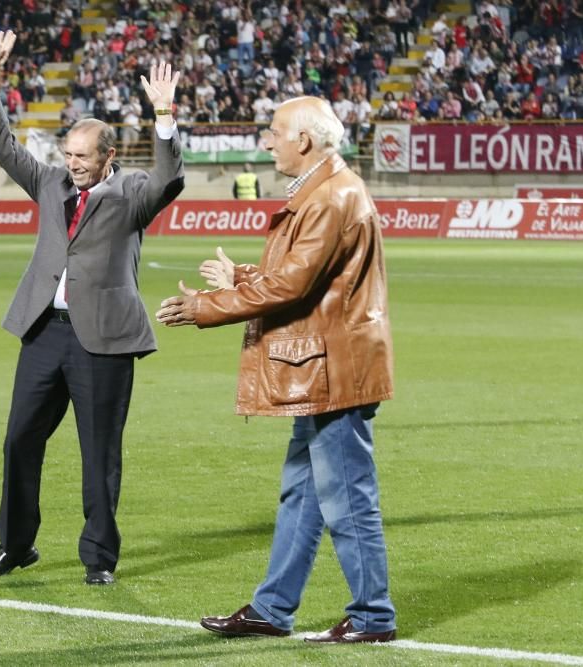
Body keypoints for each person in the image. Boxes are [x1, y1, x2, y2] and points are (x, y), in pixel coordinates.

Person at [156, 96, 397, 643]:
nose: (267, 142)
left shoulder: (332, 197)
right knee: (304, 495)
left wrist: (204, 309)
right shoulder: (327, 190)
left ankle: (373, 617)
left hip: (334, 370)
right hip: (323, 366)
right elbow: (299, 274)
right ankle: (273, 609)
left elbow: (292, 285)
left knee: (347, 495)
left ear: (304, 141)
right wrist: (241, 277)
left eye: (273, 132)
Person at [0, 30, 184, 586]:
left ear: (109, 156)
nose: (74, 164)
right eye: (68, 154)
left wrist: (163, 116)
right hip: (44, 332)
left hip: (105, 340)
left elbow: (170, 178)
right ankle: (15, 546)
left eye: (83, 156)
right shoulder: (48, 181)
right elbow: (2, 144)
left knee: (99, 455)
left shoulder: (132, 192)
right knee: (19, 440)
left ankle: (99, 559)